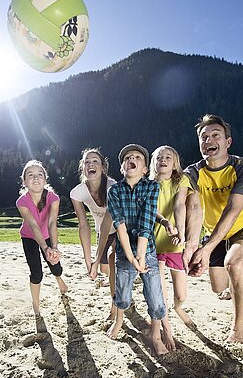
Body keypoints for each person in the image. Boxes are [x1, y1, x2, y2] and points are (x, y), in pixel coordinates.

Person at [185, 114, 243, 344]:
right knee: (218, 287)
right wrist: (192, 243)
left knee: (235, 264)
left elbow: (232, 210)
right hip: (214, 234)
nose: (209, 140)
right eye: (204, 137)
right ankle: (238, 284)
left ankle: (240, 329)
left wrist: (206, 249)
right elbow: (190, 208)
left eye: (215, 135)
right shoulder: (193, 173)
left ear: (227, 142)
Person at [107, 144, 175, 355]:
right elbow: (119, 226)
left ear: (145, 168)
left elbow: (146, 223)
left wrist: (142, 256)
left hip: (149, 251)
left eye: (137, 157)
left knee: (155, 297)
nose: (132, 159)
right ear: (122, 167)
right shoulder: (114, 190)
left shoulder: (152, 187)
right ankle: (119, 320)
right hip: (124, 252)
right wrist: (131, 256)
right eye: (127, 158)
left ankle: (155, 335)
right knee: (123, 297)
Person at [149, 145, 202, 330]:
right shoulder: (147, 185)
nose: (163, 160)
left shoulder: (182, 180)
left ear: (174, 164)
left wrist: (180, 232)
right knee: (160, 291)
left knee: (181, 295)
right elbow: (151, 209)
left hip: (175, 243)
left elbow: (180, 205)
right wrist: (164, 223)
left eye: (168, 157)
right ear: (152, 164)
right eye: (159, 157)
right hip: (154, 243)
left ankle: (179, 309)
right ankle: (165, 324)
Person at [70, 148, 118, 319]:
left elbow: (108, 223)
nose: (91, 164)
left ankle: (115, 307)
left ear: (103, 167)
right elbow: (83, 225)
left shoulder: (113, 187)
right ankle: (114, 280)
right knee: (105, 270)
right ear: (83, 167)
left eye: (95, 161)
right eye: (87, 162)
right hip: (101, 232)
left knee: (112, 262)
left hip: (120, 230)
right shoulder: (77, 193)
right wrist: (88, 260)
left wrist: (96, 259)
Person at [16, 160, 68, 316]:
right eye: (30, 175)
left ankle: (59, 280)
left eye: (40, 174)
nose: (36, 178)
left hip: (47, 234)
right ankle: (36, 305)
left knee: (55, 265)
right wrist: (45, 248)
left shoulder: (53, 198)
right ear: (24, 181)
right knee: (36, 273)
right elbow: (32, 225)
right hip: (29, 236)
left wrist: (54, 248)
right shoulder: (21, 202)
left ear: (45, 180)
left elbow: (52, 222)